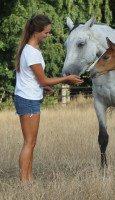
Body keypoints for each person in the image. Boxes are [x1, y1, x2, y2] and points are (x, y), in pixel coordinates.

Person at [14, 15, 83, 183]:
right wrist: (66, 79)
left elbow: (35, 80)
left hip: (29, 97)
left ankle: (28, 180)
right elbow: (43, 79)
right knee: (29, 143)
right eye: (46, 32)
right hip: (27, 100)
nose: (48, 35)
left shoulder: (31, 50)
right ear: (36, 32)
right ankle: (24, 182)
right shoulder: (31, 52)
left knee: (31, 142)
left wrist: (42, 88)